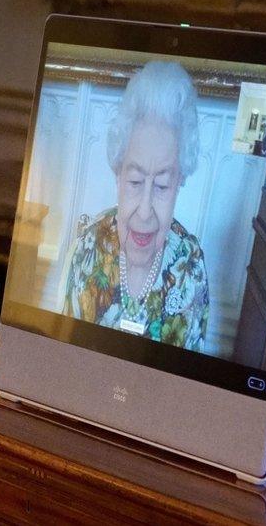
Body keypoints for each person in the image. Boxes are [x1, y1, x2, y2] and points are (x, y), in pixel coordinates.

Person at [64, 61, 209, 352]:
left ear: (180, 181)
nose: (145, 212)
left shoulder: (191, 265)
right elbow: (66, 356)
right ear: (118, 174)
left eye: (162, 186)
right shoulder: (88, 247)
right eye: (135, 181)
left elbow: (191, 382)